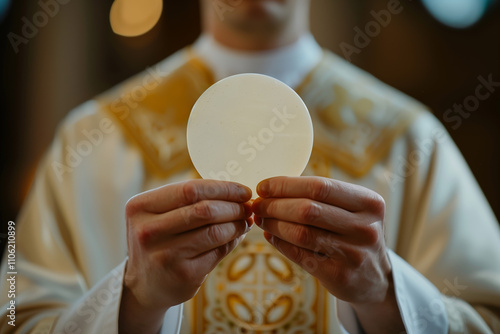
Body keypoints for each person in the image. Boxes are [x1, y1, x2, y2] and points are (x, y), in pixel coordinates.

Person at [2, 0, 500, 333]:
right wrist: (133, 300)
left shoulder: (409, 136)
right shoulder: (92, 137)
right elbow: (11, 311)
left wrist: (386, 293)